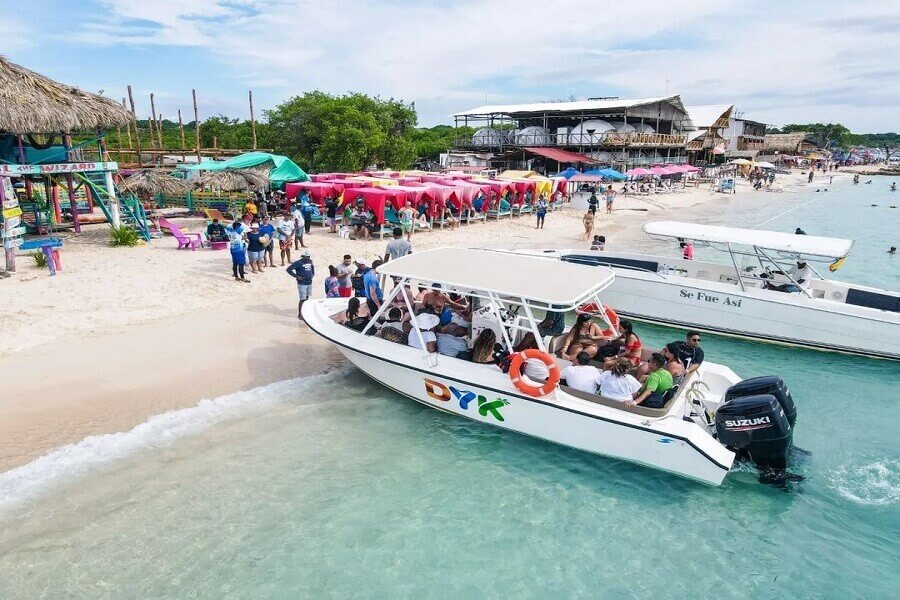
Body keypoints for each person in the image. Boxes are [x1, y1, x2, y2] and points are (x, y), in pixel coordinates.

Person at [286, 249, 314, 321]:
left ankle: (305, 312)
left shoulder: (310, 261)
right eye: (307, 256)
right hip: (302, 283)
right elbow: (288, 269)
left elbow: (312, 267)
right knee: (302, 299)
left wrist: (312, 274)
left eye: (309, 256)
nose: (308, 258)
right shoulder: (298, 263)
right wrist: (296, 276)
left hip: (309, 282)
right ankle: (300, 315)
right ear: (303, 256)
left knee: (307, 298)